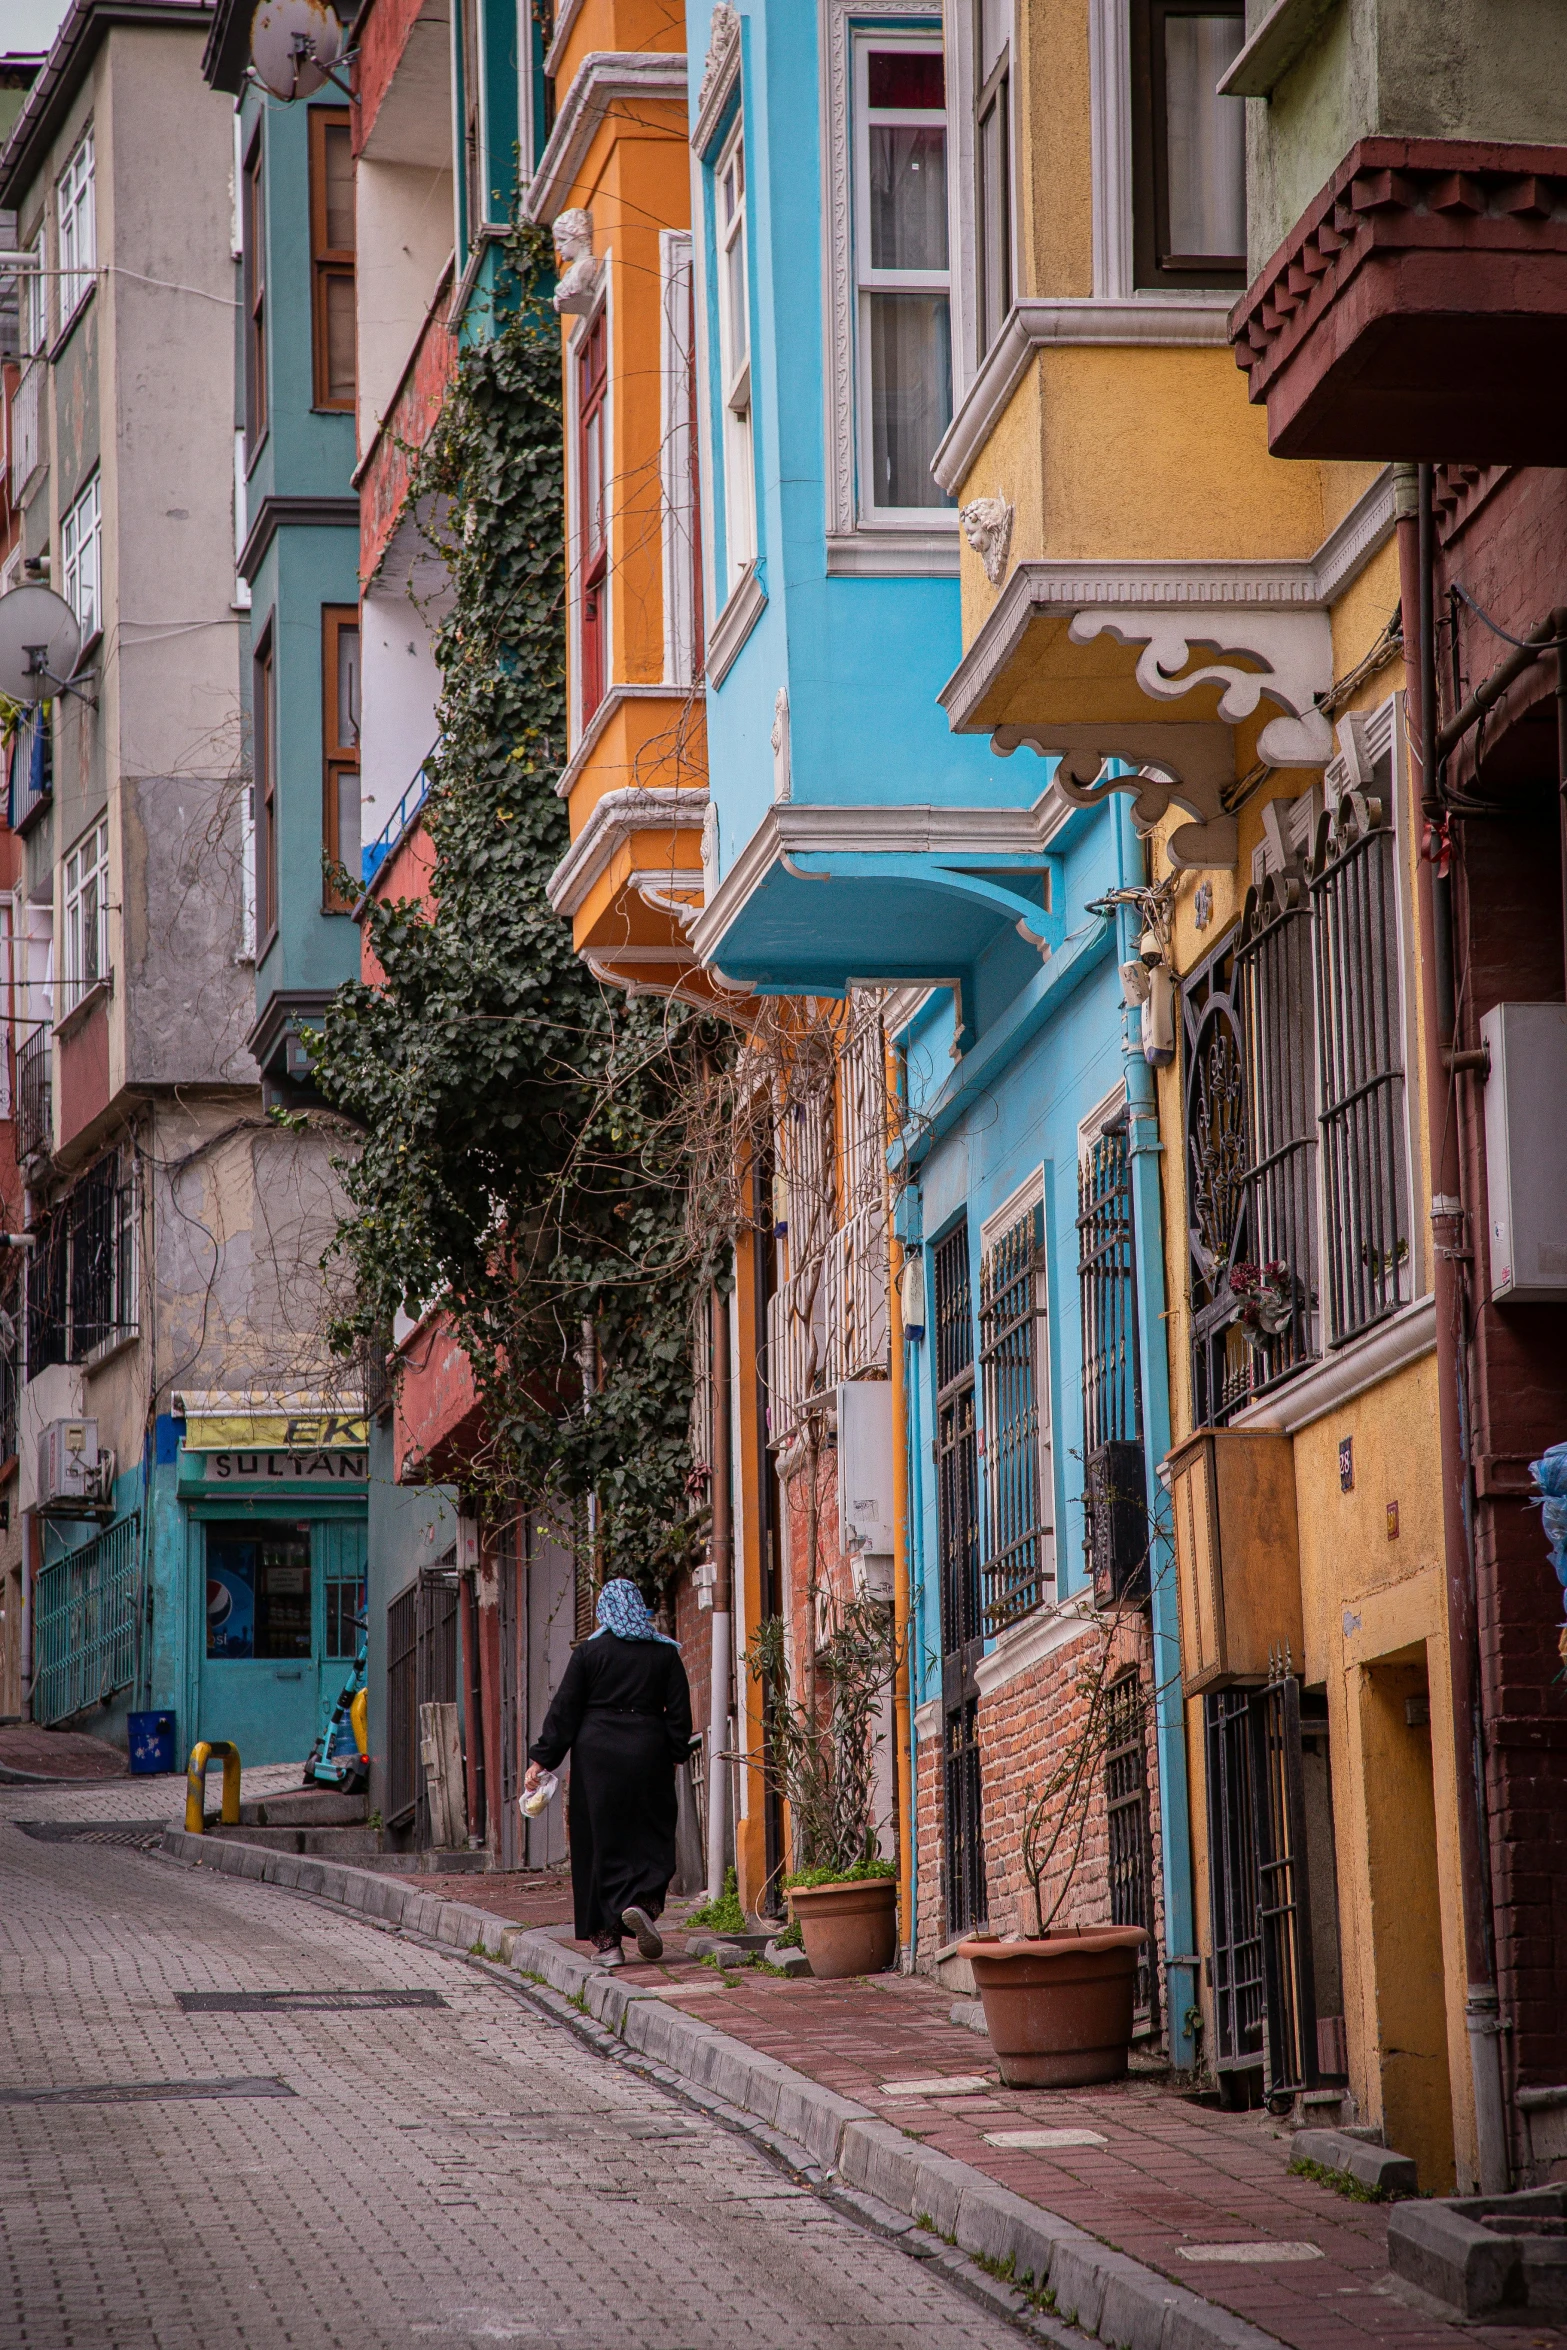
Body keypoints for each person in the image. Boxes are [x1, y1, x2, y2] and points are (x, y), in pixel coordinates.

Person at [524, 1577, 693, 1966]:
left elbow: (564, 1710)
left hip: (596, 1756)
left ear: (603, 1610)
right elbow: (679, 1713)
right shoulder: (665, 1654)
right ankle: (641, 1905)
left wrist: (541, 1760)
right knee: (650, 1831)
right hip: (647, 1752)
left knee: (598, 1841)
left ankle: (609, 1944)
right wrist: (675, 1752)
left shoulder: (588, 1653)